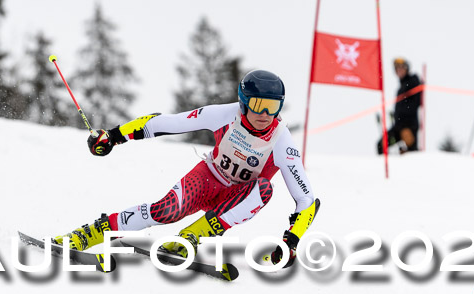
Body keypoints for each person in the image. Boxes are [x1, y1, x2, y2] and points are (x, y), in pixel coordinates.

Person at [54, 70, 320, 269]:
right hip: (206, 179)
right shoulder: (225, 114)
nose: (265, 114)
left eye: (273, 107)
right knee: (164, 211)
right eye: (258, 105)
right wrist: (114, 136)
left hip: (236, 198)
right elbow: (166, 123)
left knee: (264, 189)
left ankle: (191, 237)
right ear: (244, 102)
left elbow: (307, 200)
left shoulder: (282, 140)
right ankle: (89, 233)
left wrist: (291, 242)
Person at [377, 57, 422, 154]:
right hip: (398, 126)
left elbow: (416, 103)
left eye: (401, 68)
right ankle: (384, 166)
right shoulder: (401, 87)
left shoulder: (412, 82)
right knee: (381, 145)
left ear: (407, 69)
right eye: (397, 69)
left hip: (409, 127)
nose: (399, 71)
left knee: (411, 153)